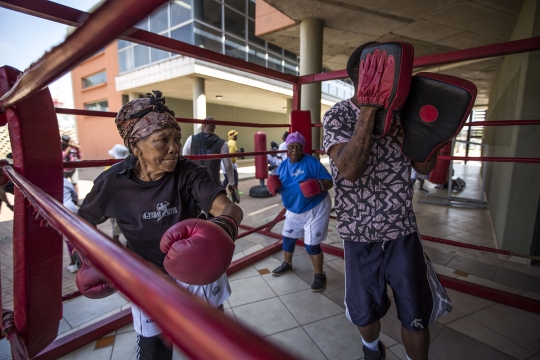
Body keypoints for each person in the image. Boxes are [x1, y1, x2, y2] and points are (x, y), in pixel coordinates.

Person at [77, 91, 243, 360]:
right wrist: (89, 258)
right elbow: (82, 221)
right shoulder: (112, 183)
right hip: (147, 276)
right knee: (154, 352)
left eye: (177, 138)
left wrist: (223, 229)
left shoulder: (187, 172)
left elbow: (229, 208)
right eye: (161, 140)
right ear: (135, 146)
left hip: (196, 266)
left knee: (212, 342)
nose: (174, 148)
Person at [322, 43, 451, 360]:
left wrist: (433, 135)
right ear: (361, 77)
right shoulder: (338, 115)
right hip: (358, 234)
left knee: (415, 314)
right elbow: (350, 170)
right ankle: (371, 349)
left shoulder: (405, 115)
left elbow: (423, 167)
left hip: (401, 231)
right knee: (365, 314)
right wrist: (369, 107)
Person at [269, 132, 333, 292]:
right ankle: (287, 264)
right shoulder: (283, 166)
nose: (295, 150)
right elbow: (276, 181)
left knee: (311, 245)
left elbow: (329, 181)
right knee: (287, 239)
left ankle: (320, 274)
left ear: (303, 148)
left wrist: (318, 185)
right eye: (291, 147)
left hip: (316, 207)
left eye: (298, 147)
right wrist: (273, 187)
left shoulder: (312, 162)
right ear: (287, 149)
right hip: (294, 208)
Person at [182, 117, 238, 202]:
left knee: (196, 210)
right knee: (216, 210)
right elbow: (228, 165)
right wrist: (232, 183)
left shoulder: (191, 139)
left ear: (203, 125)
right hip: (214, 184)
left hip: (196, 183)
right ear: (214, 127)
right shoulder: (222, 144)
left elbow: (185, 160)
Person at [107, 144, 129, 242]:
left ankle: (116, 242)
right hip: (128, 200)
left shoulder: (112, 167)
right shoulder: (130, 166)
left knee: (115, 225)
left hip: (116, 201)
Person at [63, 178, 79, 273]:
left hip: (61, 210)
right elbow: (74, 194)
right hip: (70, 208)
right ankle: (76, 262)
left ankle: (75, 262)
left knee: (69, 239)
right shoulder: (64, 180)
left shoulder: (44, 180)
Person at [222, 129, 242, 195]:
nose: (236, 136)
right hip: (230, 162)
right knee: (228, 178)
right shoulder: (232, 143)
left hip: (230, 162)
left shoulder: (231, 142)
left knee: (235, 176)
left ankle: (235, 190)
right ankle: (222, 192)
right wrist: (232, 164)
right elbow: (232, 155)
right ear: (232, 136)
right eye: (235, 135)